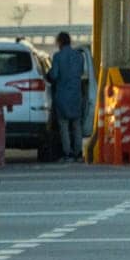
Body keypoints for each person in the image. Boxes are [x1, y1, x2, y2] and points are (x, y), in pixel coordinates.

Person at [47, 31, 88, 162]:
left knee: (64, 125)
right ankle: (79, 152)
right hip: (76, 95)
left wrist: (47, 75)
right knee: (77, 124)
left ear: (59, 42)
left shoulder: (58, 57)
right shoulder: (79, 56)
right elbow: (81, 73)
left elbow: (54, 75)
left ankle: (68, 153)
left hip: (62, 96)